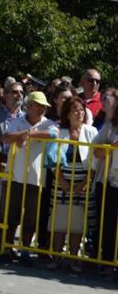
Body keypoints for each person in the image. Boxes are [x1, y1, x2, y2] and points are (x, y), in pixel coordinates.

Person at [3, 91, 59, 266]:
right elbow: (5, 138)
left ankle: (25, 250)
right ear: (29, 105)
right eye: (38, 105)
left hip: (36, 177)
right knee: (11, 215)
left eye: (43, 106)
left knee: (31, 217)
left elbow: (53, 135)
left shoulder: (48, 123)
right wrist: (24, 133)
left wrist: (28, 135)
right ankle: (7, 247)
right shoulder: (16, 121)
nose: (42, 109)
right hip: (15, 175)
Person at [45, 96, 98, 271]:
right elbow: (52, 158)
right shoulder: (59, 131)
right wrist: (62, 181)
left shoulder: (91, 132)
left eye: (82, 109)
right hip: (61, 181)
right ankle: (56, 255)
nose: (79, 113)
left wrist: (83, 183)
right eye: (75, 109)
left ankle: (74, 257)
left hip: (84, 182)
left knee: (78, 220)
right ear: (67, 113)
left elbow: (95, 161)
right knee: (59, 219)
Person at [92, 88, 117, 271]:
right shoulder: (109, 125)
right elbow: (96, 150)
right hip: (109, 181)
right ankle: (106, 260)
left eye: (107, 98)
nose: (104, 100)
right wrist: (111, 146)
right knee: (106, 223)